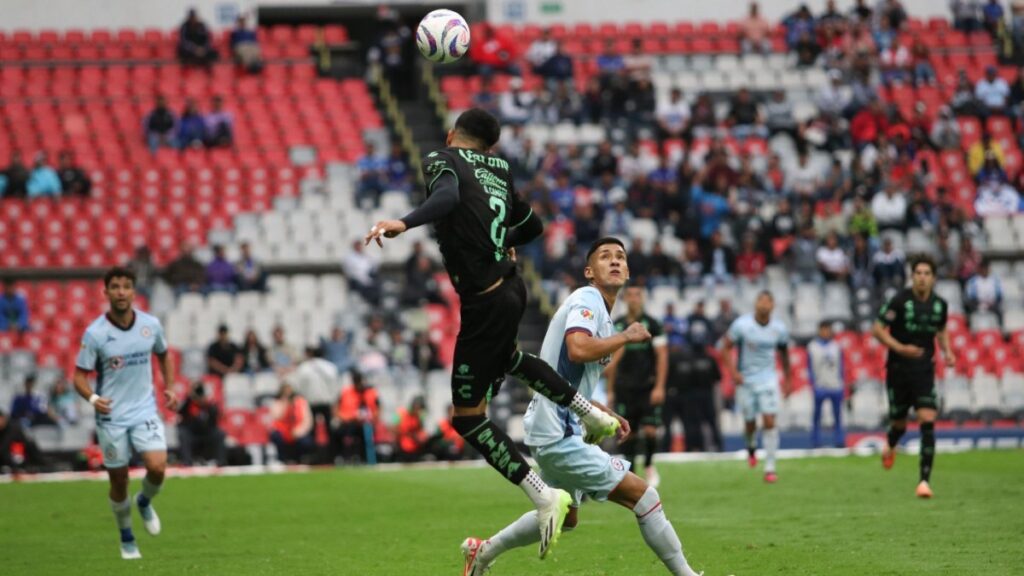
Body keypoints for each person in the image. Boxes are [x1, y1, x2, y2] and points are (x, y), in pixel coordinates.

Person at [365, 108, 622, 559]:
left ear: (452, 135)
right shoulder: (498, 169)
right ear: (491, 147)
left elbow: (444, 198)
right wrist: (500, 236)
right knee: (509, 359)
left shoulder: (443, 159)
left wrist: (403, 222)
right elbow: (533, 226)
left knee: (467, 417)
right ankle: (592, 415)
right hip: (512, 287)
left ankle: (543, 494)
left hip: (484, 298)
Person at [462, 237, 704, 576]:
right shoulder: (587, 299)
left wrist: (600, 408)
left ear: (629, 270)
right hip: (559, 432)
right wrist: (626, 336)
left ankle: (482, 552)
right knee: (644, 496)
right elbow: (577, 349)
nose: (615, 261)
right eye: (605, 257)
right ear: (590, 271)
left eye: (620, 256)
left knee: (568, 516)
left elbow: (565, 376)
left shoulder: (601, 314)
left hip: (559, 427)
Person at [71, 267, 178, 559]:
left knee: (157, 467)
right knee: (118, 480)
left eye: (126, 286)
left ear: (134, 291)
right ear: (106, 292)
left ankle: (144, 501)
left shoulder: (150, 325)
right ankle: (127, 537)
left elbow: (164, 354)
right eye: (115, 287)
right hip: (112, 416)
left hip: (144, 408)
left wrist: (169, 387)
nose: (121, 292)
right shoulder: (96, 334)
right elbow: (79, 376)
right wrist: (93, 398)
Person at [873, 254, 955, 498]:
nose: (922, 278)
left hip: (923, 370)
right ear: (912, 276)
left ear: (933, 278)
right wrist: (899, 347)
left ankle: (924, 482)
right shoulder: (899, 300)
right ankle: (891, 443)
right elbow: (877, 329)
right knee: (899, 423)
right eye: (918, 273)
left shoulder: (941, 305)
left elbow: (941, 330)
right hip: (898, 370)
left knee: (927, 418)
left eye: (926, 274)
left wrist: (948, 352)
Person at [720, 291, 792, 483]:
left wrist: (788, 379)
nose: (764, 304)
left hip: (769, 379)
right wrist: (734, 373)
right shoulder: (742, 325)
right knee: (750, 422)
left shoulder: (779, 328)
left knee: (769, 420)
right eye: (761, 300)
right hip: (746, 380)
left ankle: (770, 468)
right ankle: (751, 445)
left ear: (773, 305)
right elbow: (724, 347)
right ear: (755, 303)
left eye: (768, 301)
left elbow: (784, 354)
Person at [606, 286, 668, 486]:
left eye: (637, 295)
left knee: (650, 430)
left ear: (643, 298)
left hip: (647, 386)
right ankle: (631, 474)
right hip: (624, 387)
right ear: (624, 299)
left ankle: (649, 465)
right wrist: (609, 390)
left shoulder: (653, 324)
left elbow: (662, 356)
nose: (634, 299)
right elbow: (611, 362)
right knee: (628, 432)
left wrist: (659, 386)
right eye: (630, 295)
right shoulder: (617, 325)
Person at [807, 321, 845, 448]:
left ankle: (839, 441)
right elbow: (809, 367)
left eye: (827, 330)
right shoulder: (812, 347)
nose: (825, 332)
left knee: (837, 415)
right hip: (820, 386)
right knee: (817, 416)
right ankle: (816, 441)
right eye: (823, 330)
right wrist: (813, 384)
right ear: (819, 331)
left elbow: (842, 366)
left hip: (835, 385)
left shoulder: (836, 346)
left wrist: (842, 382)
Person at [176, 381, 226, 466]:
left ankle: (221, 462)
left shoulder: (209, 405)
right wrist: (190, 396)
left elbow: (216, 417)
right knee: (183, 434)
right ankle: (187, 463)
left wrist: (207, 403)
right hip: (191, 432)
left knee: (219, 433)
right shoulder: (189, 403)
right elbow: (180, 411)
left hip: (206, 432)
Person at [334, 371, 379, 463]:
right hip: (348, 423)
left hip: (366, 424)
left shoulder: (370, 392)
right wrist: (345, 418)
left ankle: (365, 458)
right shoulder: (345, 392)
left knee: (366, 434)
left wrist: (372, 418)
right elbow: (336, 408)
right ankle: (344, 457)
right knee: (339, 432)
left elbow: (377, 408)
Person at [291, 346, 340, 432]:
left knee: (311, 427)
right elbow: (336, 385)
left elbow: (298, 386)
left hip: (310, 402)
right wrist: (334, 399)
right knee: (329, 428)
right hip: (327, 402)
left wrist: (304, 397)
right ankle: (331, 445)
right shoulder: (331, 367)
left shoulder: (304, 368)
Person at [269, 383, 313, 464]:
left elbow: (307, 420)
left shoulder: (301, 402)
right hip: (282, 431)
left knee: (306, 441)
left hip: (297, 430)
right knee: (277, 437)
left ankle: (300, 459)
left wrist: (298, 431)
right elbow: (276, 418)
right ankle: (283, 460)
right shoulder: (277, 403)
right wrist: (285, 403)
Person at [965, 259, 1004, 328]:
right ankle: (969, 330)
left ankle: (1000, 330)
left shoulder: (995, 280)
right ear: (979, 269)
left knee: (1000, 311)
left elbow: (999, 296)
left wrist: (990, 304)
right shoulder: (972, 281)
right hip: (977, 305)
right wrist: (980, 305)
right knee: (968, 310)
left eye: (986, 268)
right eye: (983, 268)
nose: (985, 270)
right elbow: (971, 297)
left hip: (992, 305)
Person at [395, 396, 429, 462]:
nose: (421, 412)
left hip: (415, 446)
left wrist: (422, 437)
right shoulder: (400, 413)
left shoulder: (419, 417)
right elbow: (393, 429)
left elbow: (421, 431)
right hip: (402, 446)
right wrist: (411, 435)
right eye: (420, 408)